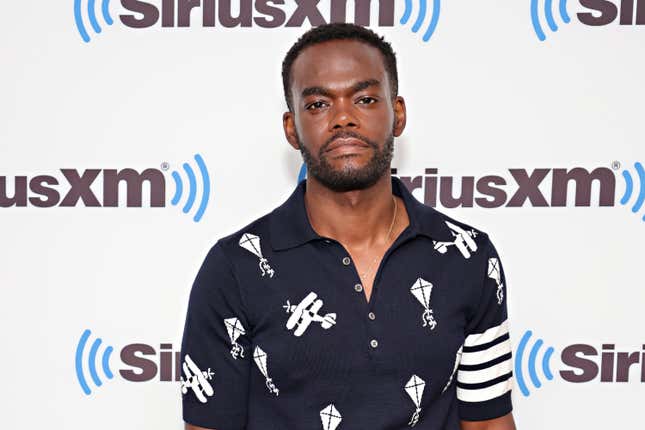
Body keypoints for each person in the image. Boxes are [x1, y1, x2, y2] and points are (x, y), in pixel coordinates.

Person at [180, 23, 517, 430]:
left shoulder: (468, 256)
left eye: (365, 98)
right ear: (292, 128)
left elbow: (488, 423)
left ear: (398, 114)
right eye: (319, 104)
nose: (343, 118)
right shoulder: (235, 267)